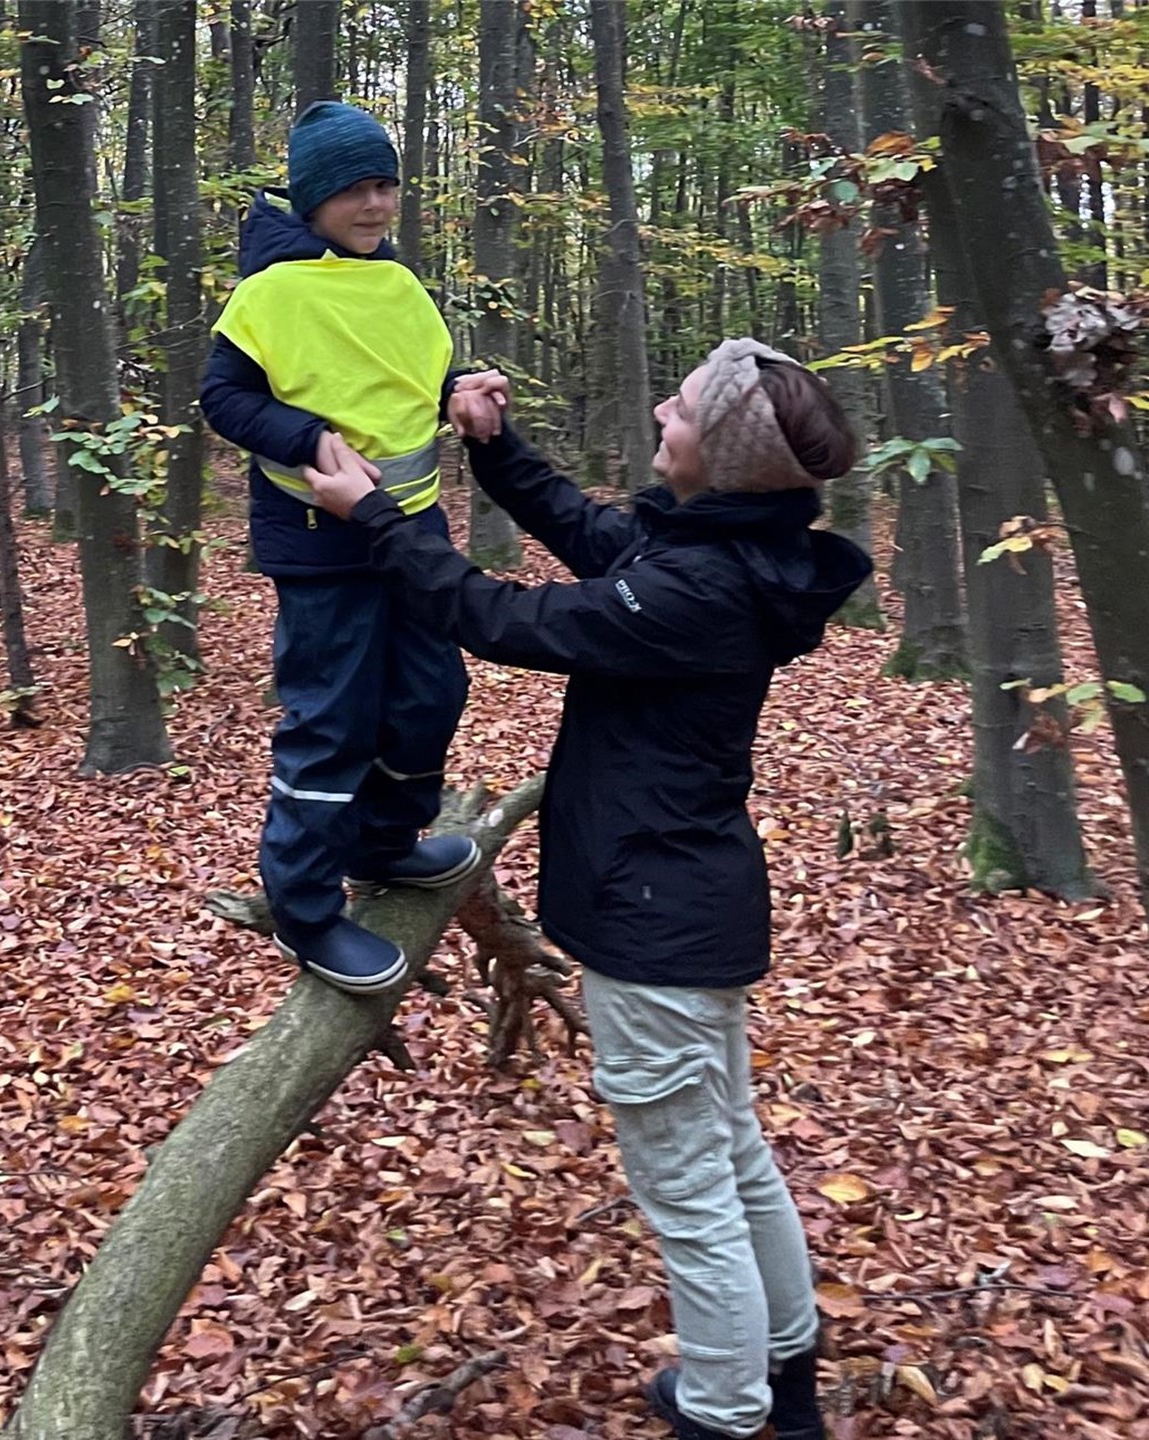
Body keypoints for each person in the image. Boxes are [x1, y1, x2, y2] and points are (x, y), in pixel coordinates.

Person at [302, 338, 871, 1440]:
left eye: (687, 409)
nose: (664, 408)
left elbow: (500, 619)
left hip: (652, 920)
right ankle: (785, 1377)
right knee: (733, 1155)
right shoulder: (721, 549)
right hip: (685, 901)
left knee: (690, 1190)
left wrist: (373, 515)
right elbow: (594, 534)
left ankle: (724, 1412)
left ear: (726, 457)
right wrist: (497, 450)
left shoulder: (697, 588)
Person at [199, 100, 506, 994]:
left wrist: (460, 389)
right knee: (334, 721)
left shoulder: (398, 283)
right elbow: (224, 399)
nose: (376, 205)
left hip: (414, 531)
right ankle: (304, 909)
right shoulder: (268, 294)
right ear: (313, 198)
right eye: (356, 190)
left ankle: (385, 847)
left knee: (430, 694)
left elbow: (409, 374)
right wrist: (302, 439)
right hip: (321, 543)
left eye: (386, 185)